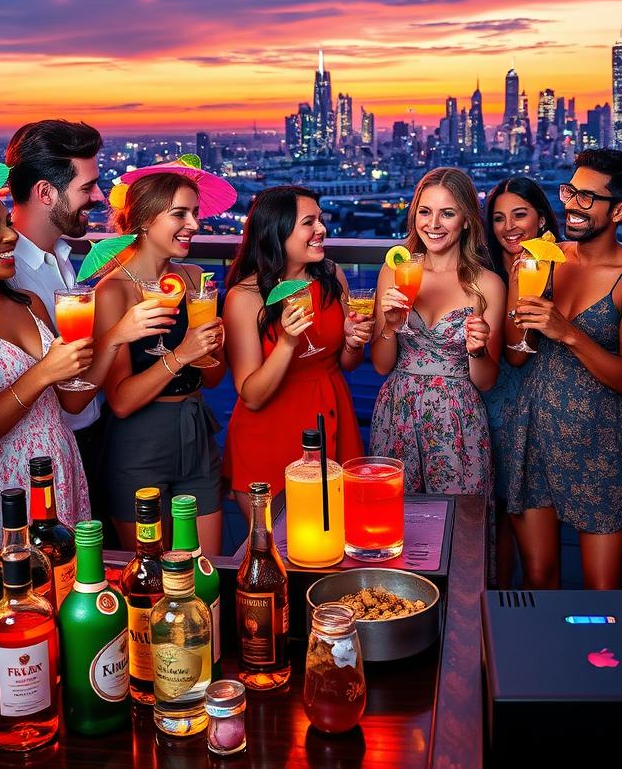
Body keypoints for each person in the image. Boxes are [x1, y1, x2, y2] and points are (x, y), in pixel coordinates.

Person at [0, 164, 159, 553]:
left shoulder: (29, 303)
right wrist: (41, 374)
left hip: (58, 467)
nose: (9, 236)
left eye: (6, 223)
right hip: (4, 483)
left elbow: (71, 399)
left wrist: (116, 337)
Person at [506, 150, 622, 590]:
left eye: (588, 197)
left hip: (601, 446)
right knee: (537, 576)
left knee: (604, 590)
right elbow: (516, 357)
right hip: (535, 433)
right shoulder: (543, 260)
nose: (571, 204)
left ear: (620, 210)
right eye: (570, 191)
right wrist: (518, 297)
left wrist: (567, 332)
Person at [94, 169, 229, 553]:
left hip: (196, 432)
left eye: (195, 213)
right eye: (180, 214)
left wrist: (212, 347)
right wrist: (182, 353)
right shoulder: (113, 292)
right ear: (143, 220)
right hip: (140, 445)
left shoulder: (194, 278)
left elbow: (215, 377)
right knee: (153, 577)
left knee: (207, 568)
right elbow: (120, 401)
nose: (194, 224)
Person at [223, 186, 372, 520]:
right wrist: (287, 344)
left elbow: (348, 363)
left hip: (332, 416)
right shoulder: (244, 297)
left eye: (320, 220)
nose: (322, 229)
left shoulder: (332, 276)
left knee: (336, 536)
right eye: (310, 222)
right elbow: (252, 396)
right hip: (268, 438)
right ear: (278, 231)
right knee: (275, 552)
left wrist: (353, 341)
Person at [371, 167, 503, 497]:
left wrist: (477, 350)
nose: (433, 224)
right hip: (397, 413)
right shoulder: (395, 271)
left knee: (459, 528)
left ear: (467, 220)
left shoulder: (487, 285)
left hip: (457, 417)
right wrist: (390, 325)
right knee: (394, 522)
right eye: (425, 212)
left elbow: (486, 381)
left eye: (447, 213)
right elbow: (381, 365)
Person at [4, 121, 107, 508]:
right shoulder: (9, 274)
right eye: (86, 187)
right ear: (45, 192)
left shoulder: (63, 258)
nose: (98, 195)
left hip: (89, 438)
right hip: (43, 461)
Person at [482, 176, 560, 588]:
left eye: (520, 214)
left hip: (542, 417)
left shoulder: (562, 265)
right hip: (495, 410)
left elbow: (521, 350)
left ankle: (537, 638)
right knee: (495, 539)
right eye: (498, 218)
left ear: (542, 218)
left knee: (540, 561)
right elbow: (507, 353)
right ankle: (495, 635)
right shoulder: (492, 273)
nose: (508, 226)